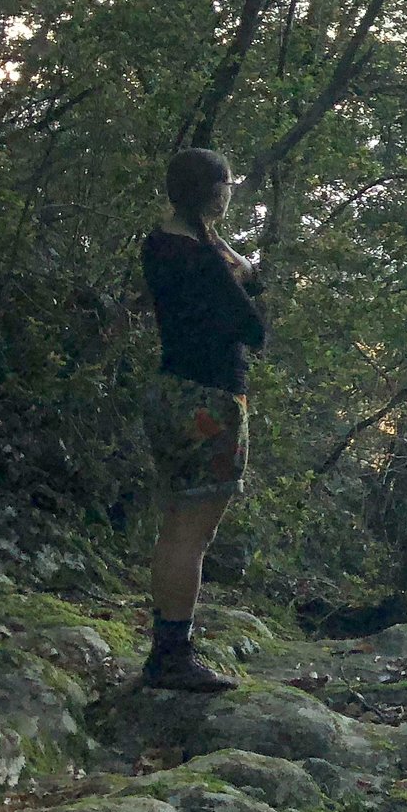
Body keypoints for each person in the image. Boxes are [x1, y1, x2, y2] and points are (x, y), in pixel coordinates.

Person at [138, 149, 266, 692]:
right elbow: (253, 327)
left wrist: (227, 256)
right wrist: (239, 271)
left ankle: (167, 648)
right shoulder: (204, 260)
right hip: (209, 402)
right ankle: (172, 654)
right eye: (228, 185)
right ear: (216, 193)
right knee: (193, 533)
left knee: (175, 525)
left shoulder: (161, 243)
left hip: (169, 391)